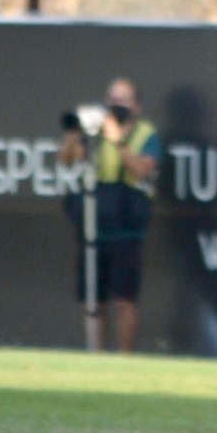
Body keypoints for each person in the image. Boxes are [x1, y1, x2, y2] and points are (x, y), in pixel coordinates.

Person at [58, 77, 162, 354]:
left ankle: (125, 359)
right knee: (93, 301)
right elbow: (67, 159)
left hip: (126, 227)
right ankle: (96, 356)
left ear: (137, 106)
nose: (116, 106)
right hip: (94, 224)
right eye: (112, 100)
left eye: (123, 100)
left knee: (124, 300)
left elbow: (142, 170)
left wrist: (119, 140)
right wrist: (74, 131)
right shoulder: (95, 133)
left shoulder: (146, 133)